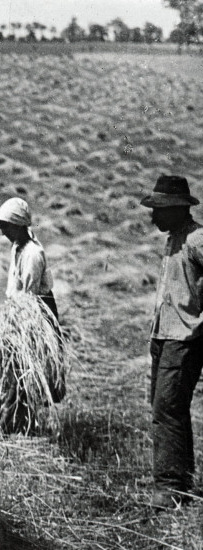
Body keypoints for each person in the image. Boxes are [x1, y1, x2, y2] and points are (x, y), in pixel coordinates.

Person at [140, 175, 203, 510]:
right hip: (164, 334)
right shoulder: (173, 239)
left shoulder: (197, 240)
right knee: (164, 408)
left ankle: (170, 487)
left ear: (178, 209)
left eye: (159, 210)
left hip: (184, 337)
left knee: (168, 407)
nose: (153, 217)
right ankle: (178, 479)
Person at [0, 198, 58, 320]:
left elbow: (30, 296)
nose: (2, 233)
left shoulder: (32, 254)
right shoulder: (17, 246)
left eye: (5, 227)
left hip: (37, 313)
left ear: (17, 225)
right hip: (20, 307)